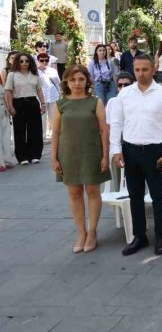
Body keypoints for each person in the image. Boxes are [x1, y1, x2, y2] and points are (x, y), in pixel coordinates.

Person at [110, 54, 162, 256]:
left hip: (155, 151)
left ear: (153, 69)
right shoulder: (125, 94)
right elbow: (117, 123)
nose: (141, 73)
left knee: (157, 195)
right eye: (137, 70)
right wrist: (116, 150)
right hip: (130, 150)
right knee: (135, 195)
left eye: (145, 69)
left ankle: (161, 235)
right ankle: (140, 236)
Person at [50, 65, 110, 253]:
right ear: (66, 82)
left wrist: (105, 154)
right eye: (73, 80)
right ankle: (81, 232)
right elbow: (56, 132)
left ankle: (92, 232)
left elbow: (103, 130)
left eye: (81, 79)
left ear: (87, 81)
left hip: (92, 151)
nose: (77, 83)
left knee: (93, 191)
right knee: (74, 193)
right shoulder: (61, 104)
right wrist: (54, 157)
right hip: (68, 153)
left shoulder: (95, 102)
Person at [4, 53, 46, 164]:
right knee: (19, 130)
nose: (24, 63)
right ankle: (22, 157)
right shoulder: (12, 75)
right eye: (21, 61)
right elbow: (8, 91)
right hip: (18, 102)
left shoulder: (35, 74)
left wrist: (43, 104)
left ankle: (35, 154)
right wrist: (10, 106)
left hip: (32, 102)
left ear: (30, 62)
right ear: (17, 62)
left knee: (35, 129)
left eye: (26, 61)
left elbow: (39, 90)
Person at [37, 53, 61, 140]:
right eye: (42, 60)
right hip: (41, 96)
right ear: (38, 61)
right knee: (42, 116)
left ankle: (54, 134)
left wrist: (60, 93)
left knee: (53, 116)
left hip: (53, 95)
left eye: (46, 60)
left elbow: (58, 83)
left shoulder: (53, 71)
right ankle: (42, 135)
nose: (44, 62)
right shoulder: (35, 71)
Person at [0, 64, 16, 171]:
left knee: (6, 135)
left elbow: (4, 94)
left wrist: (8, 108)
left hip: (3, 109)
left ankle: (6, 160)